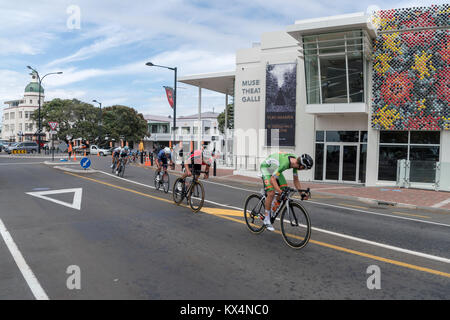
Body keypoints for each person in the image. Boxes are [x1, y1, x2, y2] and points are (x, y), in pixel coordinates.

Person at [260, 153, 313, 231]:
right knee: (271, 192)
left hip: (275, 169)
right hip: (266, 167)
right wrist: (279, 191)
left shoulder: (295, 163)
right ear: (301, 166)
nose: (303, 169)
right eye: (304, 168)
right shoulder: (285, 164)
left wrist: (301, 194)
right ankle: (267, 219)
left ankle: (271, 208)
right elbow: (272, 179)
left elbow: (296, 180)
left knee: (284, 189)